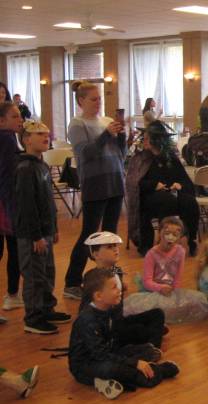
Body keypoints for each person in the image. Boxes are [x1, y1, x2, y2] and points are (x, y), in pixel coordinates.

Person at [69, 268, 179, 400]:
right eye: (114, 287)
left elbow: (113, 343)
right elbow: (101, 355)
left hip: (105, 353)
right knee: (118, 369)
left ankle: (106, 381)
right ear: (98, 296)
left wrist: (131, 356)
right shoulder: (88, 320)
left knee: (144, 350)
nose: (119, 290)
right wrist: (135, 363)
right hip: (86, 366)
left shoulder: (108, 307)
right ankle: (158, 371)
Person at [64, 81, 127, 300]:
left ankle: (108, 280)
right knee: (89, 235)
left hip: (115, 180)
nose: (98, 102)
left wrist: (121, 137)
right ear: (81, 101)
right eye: (93, 99)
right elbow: (86, 153)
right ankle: (72, 282)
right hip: (95, 183)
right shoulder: (76, 124)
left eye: (99, 98)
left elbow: (121, 154)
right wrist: (106, 135)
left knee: (110, 235)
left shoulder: (107, 121)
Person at [15, 120, 71, 334]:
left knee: (47, 272)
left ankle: (47, 308)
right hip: (32, 234)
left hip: (46, 231)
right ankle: (33, 317)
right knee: (34, 275)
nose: (45, 137)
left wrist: (54, 227)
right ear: (27, 139)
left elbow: (48, 201)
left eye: (47, 133)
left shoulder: (42, 165)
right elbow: (27, 206)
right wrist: (36, 236)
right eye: (39, 134)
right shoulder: (25, 168)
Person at [82, 231, 167, 350]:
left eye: (116, 246)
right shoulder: (92, 278)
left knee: (158, 313)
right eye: (109, 247)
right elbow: (87, 310)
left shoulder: (117, 271)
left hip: (119, 319)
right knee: (140, 330)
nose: (116, 249)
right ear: (96, 254)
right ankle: (152, 347)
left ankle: (152, 334)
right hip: (109, 328)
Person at [126, 120, 200, 256]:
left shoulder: (170, 158)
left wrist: (180, 185)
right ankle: (161, 243)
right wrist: (154, 185)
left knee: (189, 202)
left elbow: (184, 179)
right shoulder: (140, 159)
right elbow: (134, 183)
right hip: (148, 197)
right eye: (145, 138)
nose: (145, 141)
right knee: (166, 200)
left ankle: (191, 240)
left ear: (156, 140)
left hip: (172, 195)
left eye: (148, 138)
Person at [124, 216, 208, 324]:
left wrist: (175, 297)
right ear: (160, 233)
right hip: (152, 291)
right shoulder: (151, 254)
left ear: (180, 236)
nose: (170, 237)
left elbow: (177, 278)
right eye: (167, 233)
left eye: (175, 235)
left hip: (170, 291)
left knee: (199, 301)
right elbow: (147, 282)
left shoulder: (180, 252)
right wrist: (160, 288)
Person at [0, 102, 23, 315]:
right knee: (14, 251)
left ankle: (13, 295)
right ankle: (12, 295)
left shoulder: (9, 139)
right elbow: (6, 177)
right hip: (5, 206)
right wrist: (10, 208)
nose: (20, 119)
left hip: (5, 204)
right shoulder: (7, 139)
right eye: (15, 116)